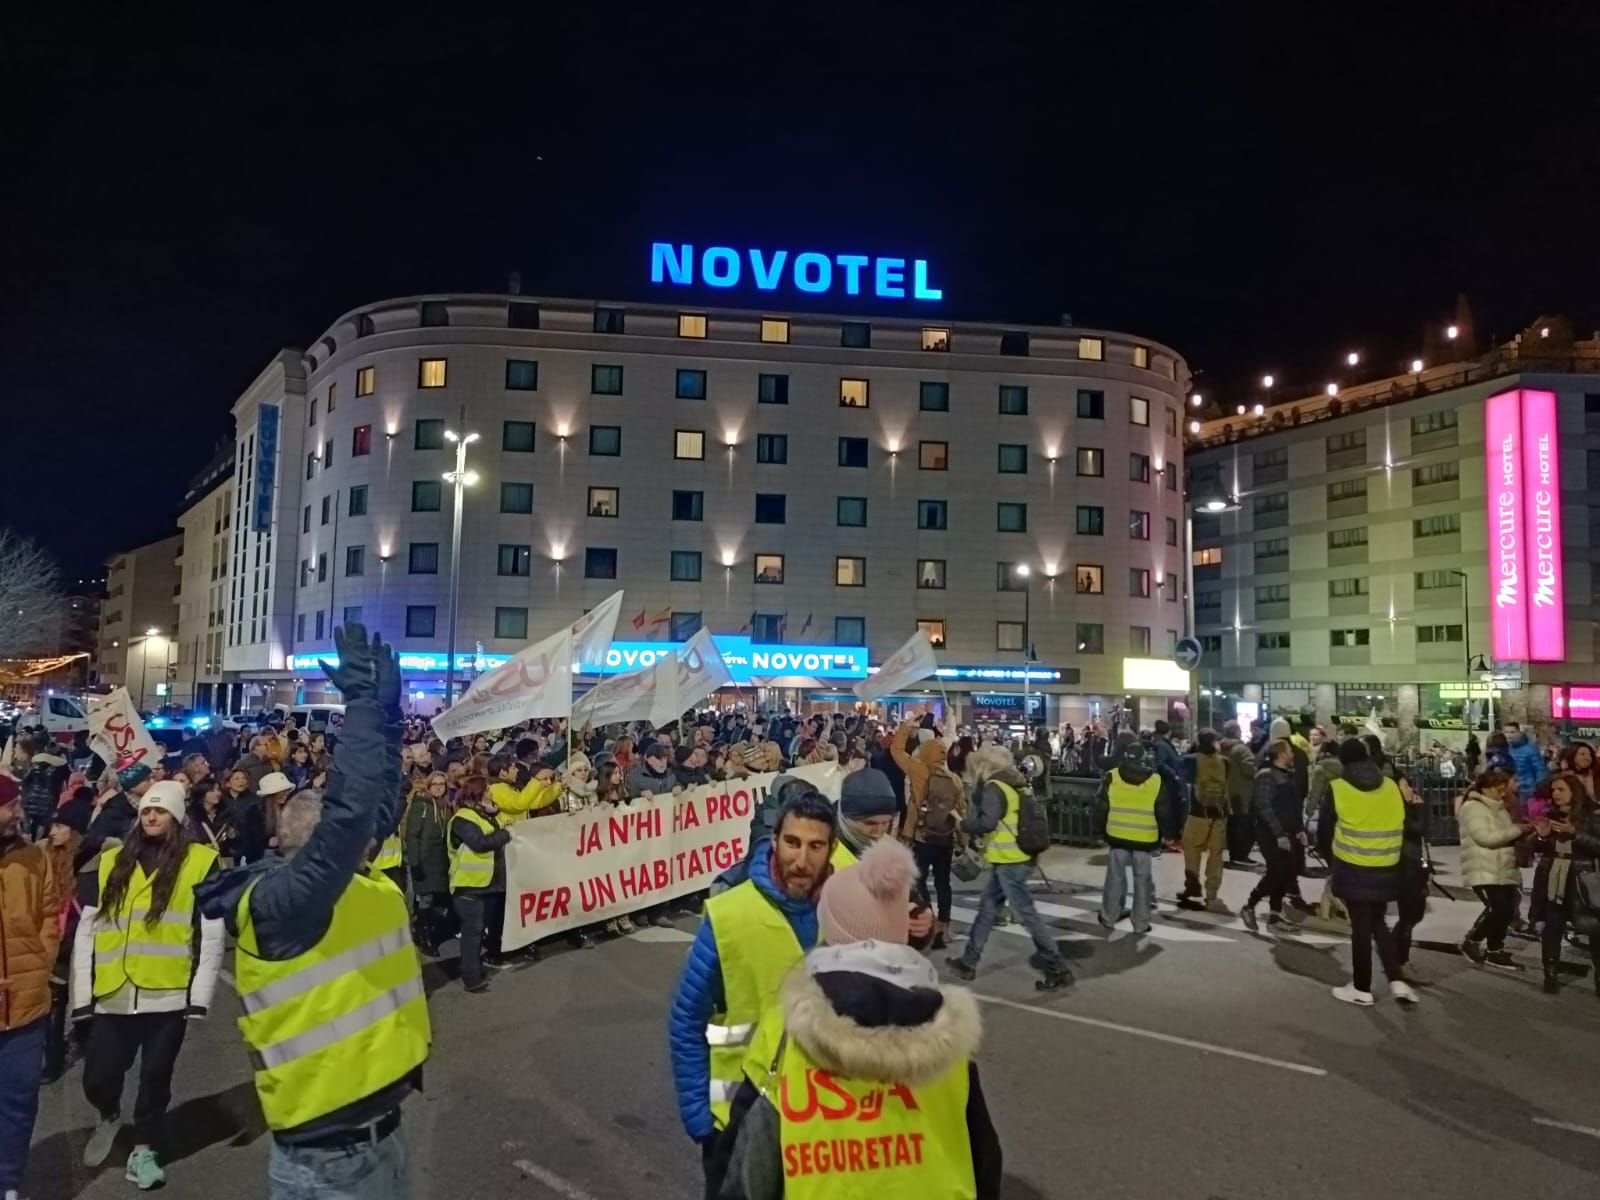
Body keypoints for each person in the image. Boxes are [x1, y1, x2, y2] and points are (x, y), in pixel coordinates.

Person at [197, 625, 426, 1199]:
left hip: (383, 1135)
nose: (367, 840)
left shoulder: (352, 877)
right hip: (328, 1163)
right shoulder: (283, 903)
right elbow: (351, 817)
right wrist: (362, 708)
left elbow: (375, 805)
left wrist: (389, 717)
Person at [710, 838, 1002, 1199]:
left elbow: (750, 1160)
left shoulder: (787, 1030)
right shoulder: (948, 1033)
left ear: (831, 932)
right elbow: (984, 1158)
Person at [669, 788, 837, 1195]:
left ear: (831, 849)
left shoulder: (845, 911)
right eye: (792, 842)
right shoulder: (730, 914)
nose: (802, 860)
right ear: (774, 840)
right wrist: (700, 1120)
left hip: (820, 1122)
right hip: (735, 1116)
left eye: (815, 846)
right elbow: (686, 1019)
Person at [72, 780, 225, 1189]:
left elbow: (211, 933)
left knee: (156, 1077)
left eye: (161, 811)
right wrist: (82, 997)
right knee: (98, 1077)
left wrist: (199, 997)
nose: (152, 816)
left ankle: (144, 1148)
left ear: (176, 817)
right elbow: (87, 931)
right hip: (113, 992)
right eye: (146, 811)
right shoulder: (112, 861)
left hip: (167, 993)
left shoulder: (200, 861)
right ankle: (108, 1114)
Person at [944, 745, 1072, 991]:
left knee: (1027, 915)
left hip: (1010, 860)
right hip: (1016, 857)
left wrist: (964, 824)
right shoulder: (1016, 784)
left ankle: (1058, 967)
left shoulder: (995, 787)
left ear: (985, 765)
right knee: (987, 909)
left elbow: (987, 822)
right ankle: (968, 962)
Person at [1316, 738, 1418, 1006]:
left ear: (1343, 762)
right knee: (1377, 922)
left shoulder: (1338, 788)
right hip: (1387, 865)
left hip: (1352, 866)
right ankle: (1396, 979)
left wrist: (1330, 860)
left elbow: (1324, 830)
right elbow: (1406, 822)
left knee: (1361, 928)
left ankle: (1361, 987)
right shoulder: (1390, 786)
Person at [0, 773, 61, 1200]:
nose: (19, 812)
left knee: (19, 1103)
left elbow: (49, 916)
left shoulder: (34, 857)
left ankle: (8, 1182)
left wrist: (40, 965)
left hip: (26, 1006)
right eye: (11, 805)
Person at [1525, 773, 1598, 994]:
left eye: (1561, 790)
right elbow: (1532, 849)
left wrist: (1575, 833)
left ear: (1574, 792)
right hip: (1552, 879)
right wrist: (1541, 837)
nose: (1556, 794)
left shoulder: (1592, 816)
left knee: (1595, 931)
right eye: (1553, 790)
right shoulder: (1549, 815)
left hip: (1582, 881)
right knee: (1552, 928)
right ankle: (1550, 975)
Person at [1458, 767, 1533, 971]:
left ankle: (1495, 950)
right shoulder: (1473, 808)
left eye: (1503, 789)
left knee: (1507, 910)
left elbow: (1504, 834)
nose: (1503, 794)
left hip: (1501, 867)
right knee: (1498, 908)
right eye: (1499, 790)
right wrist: (1517, 829)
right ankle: (1472, 941)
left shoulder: (1498, 808)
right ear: (1485, 788)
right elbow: (1486, 838)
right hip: (1484, 867)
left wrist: (1524, 830)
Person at [1095, 740, 1170, 933]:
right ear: (1144, 757)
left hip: (1116, 834)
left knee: (1115, 877)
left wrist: (1100, 831)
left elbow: (1101, 807)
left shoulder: (1112, 776)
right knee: (1143, 880)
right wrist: (1167, 834)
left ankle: (1109, 916)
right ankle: (1141, 923)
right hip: (1145, 838)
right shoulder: (1155, 780)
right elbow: (1163, 811)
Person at [448, 774, 513, 991]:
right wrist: (506, 834)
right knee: (473, 931)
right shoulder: (463, 818)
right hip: (469, 885)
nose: (491, 793)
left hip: (485, 884)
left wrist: (496, 816)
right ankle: (471, 977)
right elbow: (480, 843)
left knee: (478, 930)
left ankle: (474, 967)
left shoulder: (483, 815)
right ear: (477, 793)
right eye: (487, 789)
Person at [1241, 739, 1304, 931]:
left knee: (1286, 873)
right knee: (1276, 872)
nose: (1292, 754)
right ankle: (1249, 906)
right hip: (1271, 834)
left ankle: (1275, 916)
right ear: (1282, 754)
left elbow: (1292, 805)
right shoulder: (1267, 775)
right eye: (1290, 750)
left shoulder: (1285, 774)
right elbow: (1263, 806)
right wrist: (1279, 835)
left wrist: (1299, 829)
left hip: (1287, 833)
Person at [1178, 729, 1232, 913]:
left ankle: (1192, 886)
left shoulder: (1191, 760)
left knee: (1192, 851)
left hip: (1197, 814)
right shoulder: (1225, 762)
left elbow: (1182, 775)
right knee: (1216, 855)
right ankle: (1212, 893)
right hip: (1219, 816)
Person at [403, 773, 454, 954]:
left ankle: (427, 931)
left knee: (434, 898)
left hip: (440, 859)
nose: (438, 787)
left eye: (442, 784)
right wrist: (415, 862)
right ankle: (424, 936)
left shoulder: (446, 806)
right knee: (426, 898)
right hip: (425, 860)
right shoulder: (421, 806)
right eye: (435, 784)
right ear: (429, 785)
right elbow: (412, 835)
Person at [187, 776, 242, 866]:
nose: (217, 793)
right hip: (201, 860)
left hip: (224, 859)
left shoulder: (226, 813)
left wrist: (233, 835)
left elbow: (237, 839)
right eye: (212, 790)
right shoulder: (192, 815)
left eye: (218, 790)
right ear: (202, 792)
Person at [1505, 721, 1548, 797]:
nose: (1508, 735)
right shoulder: (1506, 749)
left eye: (1512, 732)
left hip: (1527, 791)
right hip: (1509, 790)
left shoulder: (1531, 750)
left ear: (1519, 733)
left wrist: (1536, 789)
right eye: (1506, 732)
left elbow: (1540, 771)